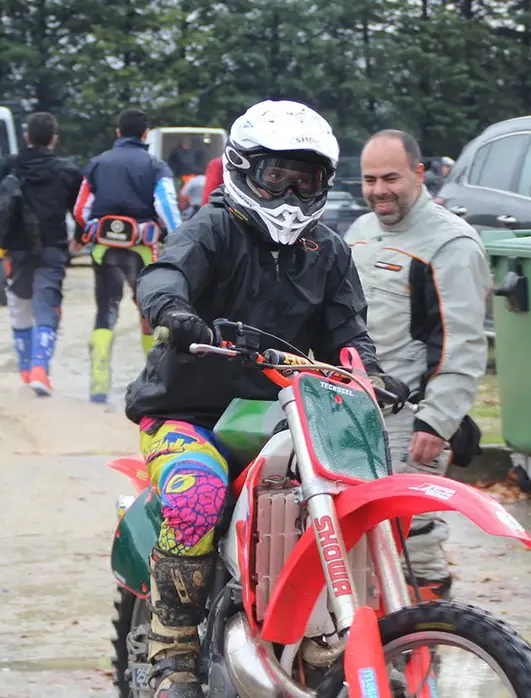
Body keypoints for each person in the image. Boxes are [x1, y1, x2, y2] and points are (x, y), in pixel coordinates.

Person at [123, 99, 407, 698]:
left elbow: (350, 334)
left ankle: (368, 632)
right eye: (277, 175)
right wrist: (174, 312)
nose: (289, 193)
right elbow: (162, 272)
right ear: (242, 168)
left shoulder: (327, 251)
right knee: (198, 494)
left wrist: (371, 377)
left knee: (357, 491)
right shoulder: (214, 228)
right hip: (187, 413)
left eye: (305, 179)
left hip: (285, 418)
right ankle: (170, 653)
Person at [345, 131, 490, 600]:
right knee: (356, 548)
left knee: (415, 543)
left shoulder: (451, 244)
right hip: (352, 418)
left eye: (391, 177)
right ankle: (379, 656)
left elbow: (463, 341)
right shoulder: (359, 233)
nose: (379, 190)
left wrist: (438, 420)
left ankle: (423, 657)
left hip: (413, 423)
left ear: (419, 174)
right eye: (369, 179)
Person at [73, 109, 183, 404]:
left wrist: (92, 229)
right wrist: (178, 240)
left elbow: (80, 211)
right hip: (143, 252)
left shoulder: (97, 164)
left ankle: (98, 385)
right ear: (146, 134)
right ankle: (154, 382)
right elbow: (168, 210)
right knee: (149, 315)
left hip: (103, 251)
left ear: (118, 132)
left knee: (104, 314)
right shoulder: (155, 165)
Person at [0, 114, 83, 394]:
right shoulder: (67, 171)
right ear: (54, 139)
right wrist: (81, 238)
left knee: (20, 304)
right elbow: (82, 210)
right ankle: (40, 370)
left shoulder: (6, 166)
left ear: (26, 137)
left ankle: (25, 371)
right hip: (52, 248)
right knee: (46, 305)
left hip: (17, 249)